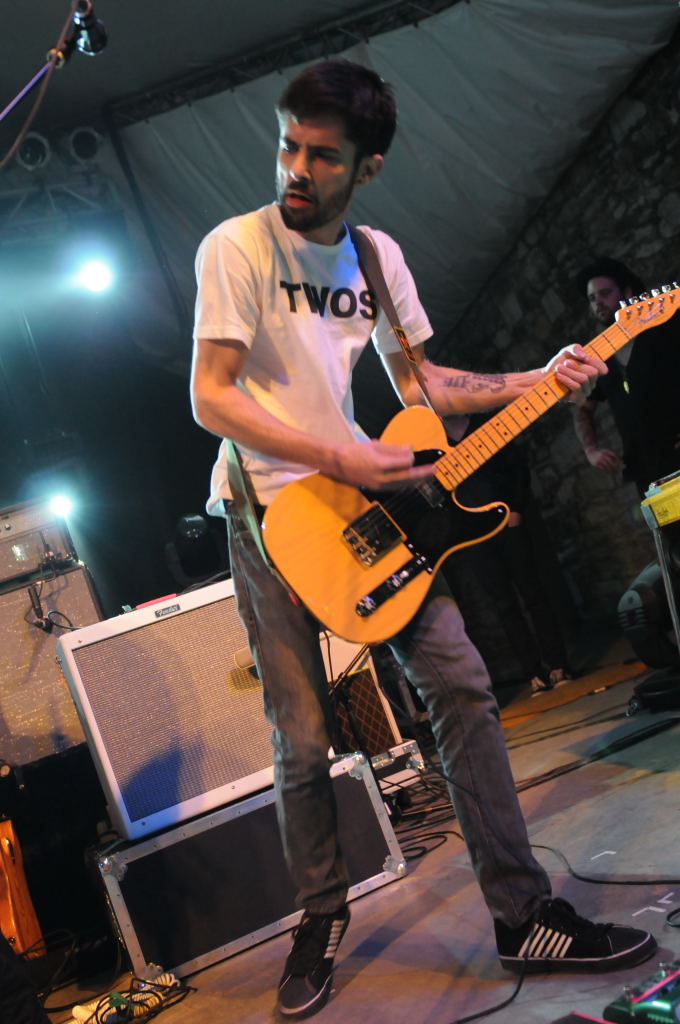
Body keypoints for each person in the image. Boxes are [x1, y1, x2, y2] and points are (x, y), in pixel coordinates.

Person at [190, 60, 656, 1020]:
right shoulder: (235, 248)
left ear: (369, 166)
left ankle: (523, 915)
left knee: (462, 683)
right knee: (303, 735)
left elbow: (426, 385)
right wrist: (336, 452)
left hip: (366, 502)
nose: (297, 169)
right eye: (288, 145)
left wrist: (540, 376)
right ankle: (321, 914)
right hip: (265, 510)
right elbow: (211, 397)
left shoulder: (376, 259)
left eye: (323, 155)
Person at [443, 412, 571, 695]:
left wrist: (516, 508)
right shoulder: (435, 442)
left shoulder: (486, 426)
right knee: (503, 605)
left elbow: (517, 467)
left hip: (506, 523)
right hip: (474, 537)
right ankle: (534, 673)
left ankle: (558, 664)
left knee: (533, 592)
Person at [572, 257, 680, 496]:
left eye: (605, 293)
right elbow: (582, 407)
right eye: (592, 298)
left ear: (628, 292)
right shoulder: (598, 356)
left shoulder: (664, 328)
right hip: (648, 473)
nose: (598, 302)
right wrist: (591, 451)